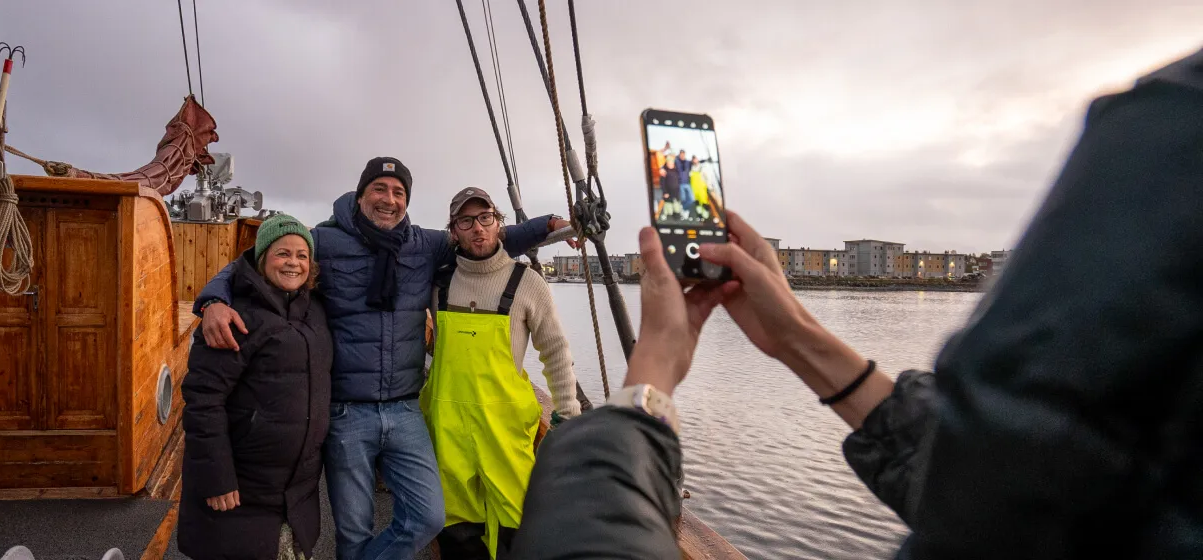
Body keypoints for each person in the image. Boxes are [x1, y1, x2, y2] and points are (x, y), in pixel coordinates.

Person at [512, 47, 1203, 559]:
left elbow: (1005, 477)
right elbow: (994, 472)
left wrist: (654, 367)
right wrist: (799, 339)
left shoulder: (1171, 128)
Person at [192, 157, 574, 560]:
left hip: (405, 408)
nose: (389, 200)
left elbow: (485, 239)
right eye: (380, 189)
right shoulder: (323, 240)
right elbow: (253, 262)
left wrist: (549, 226)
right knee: (353, 531)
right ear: (360, 196)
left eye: (398, 192)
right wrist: (214, 300)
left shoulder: (424, 245)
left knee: (429, 516)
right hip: (345, 413)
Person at [424, 187, 582, 559]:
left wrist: (568, 414)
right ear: (454, 232)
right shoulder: (438, 283)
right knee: (457, 534)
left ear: (499, 225)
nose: (477, 228)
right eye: (466, 221)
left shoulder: (527, 283)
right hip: (449, 435)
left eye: (485, 218)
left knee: (519, 528)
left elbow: (556, 351)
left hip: (507, 433)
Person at [178, 215, 332, 560]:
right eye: (283, 253)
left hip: (297, 488)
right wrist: (216, 477)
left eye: (302, 255)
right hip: (243, 486)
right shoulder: (231, 317)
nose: (293, 262)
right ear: (261, 258)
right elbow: (204, 401)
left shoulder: (316, 311)